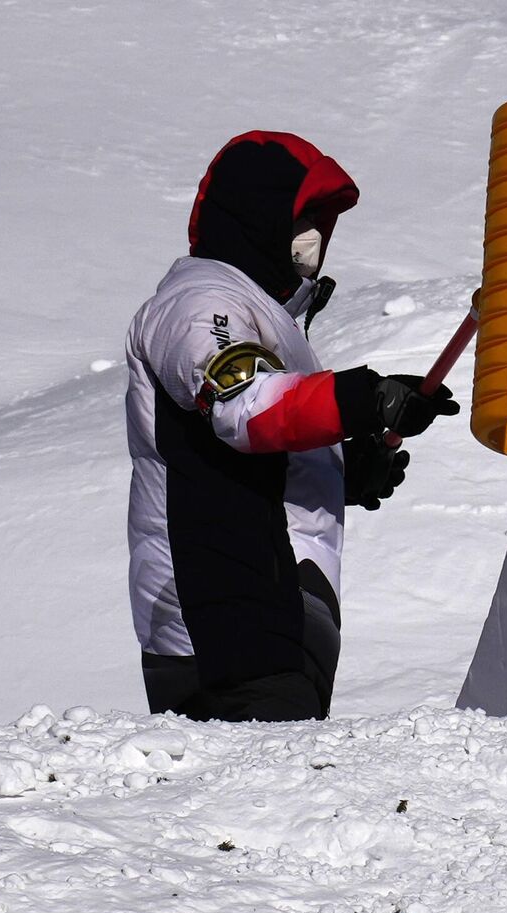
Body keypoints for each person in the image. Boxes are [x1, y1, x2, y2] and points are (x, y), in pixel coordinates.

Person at [123, 131, 458, 722]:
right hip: (224, 610)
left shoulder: (263, 315)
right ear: (256, 217)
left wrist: (341, 469)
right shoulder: (202, 301)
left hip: (266, 610)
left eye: (320, 223)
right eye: (303, 218)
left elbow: (249, 449)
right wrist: (368, 400)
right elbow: (242, 404)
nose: (314, 239)